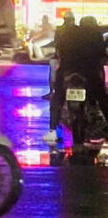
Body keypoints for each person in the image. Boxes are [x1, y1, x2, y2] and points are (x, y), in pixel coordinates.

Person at [46, 15, 108, 143]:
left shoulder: (69, 33)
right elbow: (102, 53)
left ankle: (52, 129)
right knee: (102, 98)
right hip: (89, 72)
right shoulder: (95, 36)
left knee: (58, 97)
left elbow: (59, 50)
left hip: (67, 71)